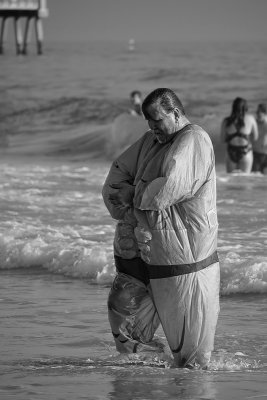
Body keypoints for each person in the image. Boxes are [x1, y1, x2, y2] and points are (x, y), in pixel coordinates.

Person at [102, 88, 220, 369]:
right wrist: (129, 202)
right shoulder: (149, 141)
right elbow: (114, 181)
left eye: (157, 120)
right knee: (129, 342)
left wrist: (133, 195)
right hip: (147, 260)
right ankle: (149, 387)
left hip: (186, 269)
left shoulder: (194, 140)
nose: (152, 127)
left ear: (175, 113)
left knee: (193, 363)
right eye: (148, 121)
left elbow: (168, 187)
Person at [220, 97, 258, 173]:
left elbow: (222, 139)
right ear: (245, 108)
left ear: (233, 107)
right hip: (246, 151)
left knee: (230, 180)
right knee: (245, 180)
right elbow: (255, 137)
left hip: (231, 151)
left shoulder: (226, 121)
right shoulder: (250, 119)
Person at [252, 103, 267, 174]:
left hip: (265, 154)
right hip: (256, 153)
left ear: (265, 113)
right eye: (257, 112)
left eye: (259, 113)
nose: (257, 115)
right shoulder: (254, 122)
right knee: (256, 177)